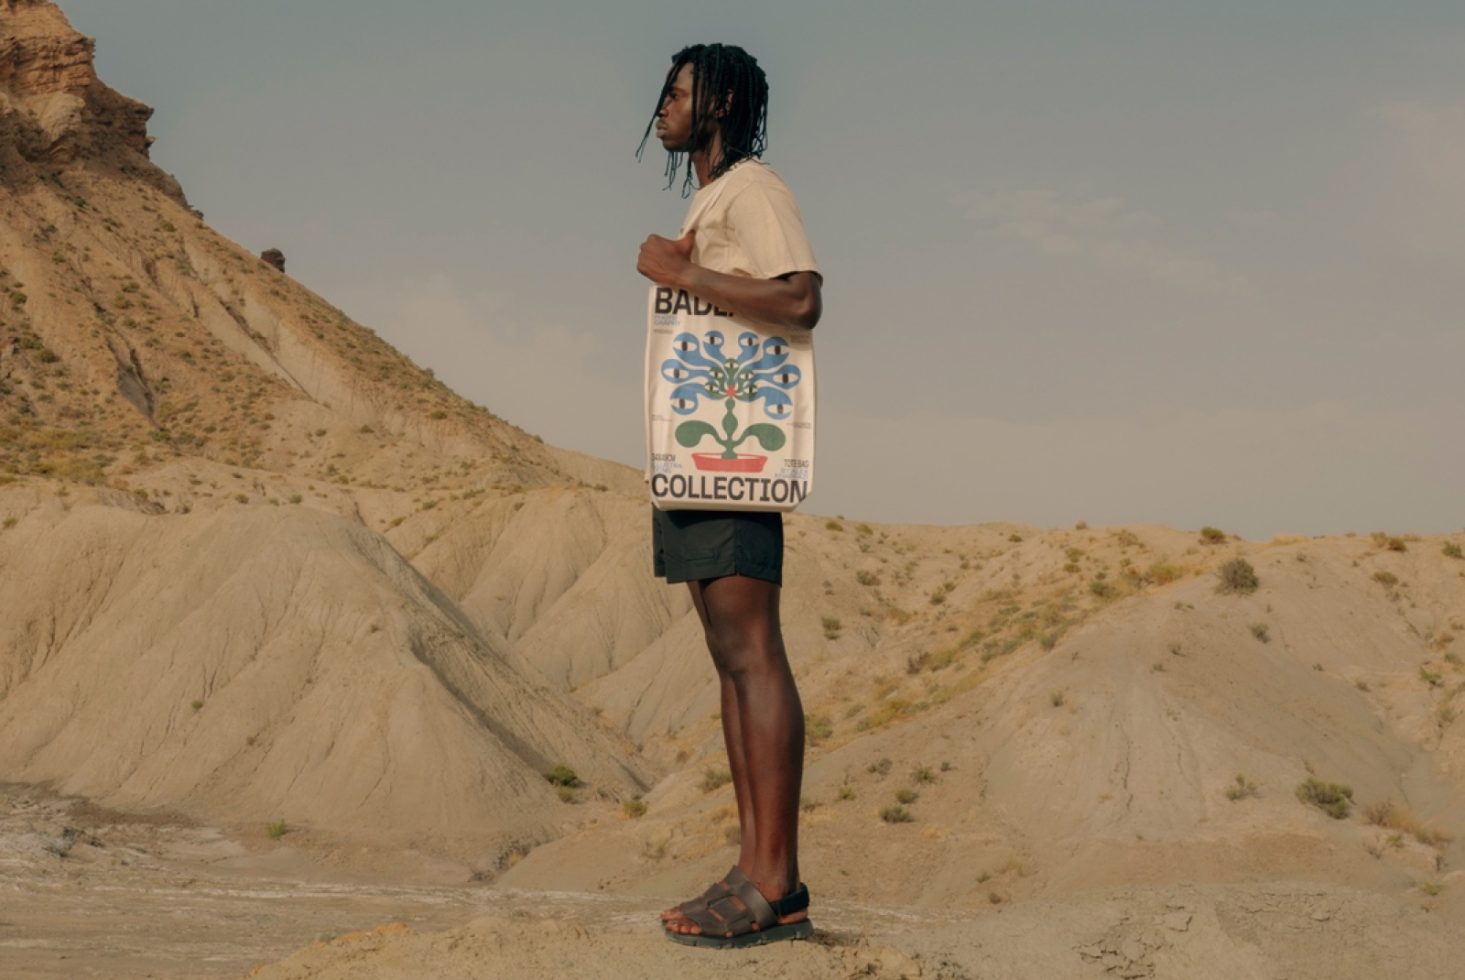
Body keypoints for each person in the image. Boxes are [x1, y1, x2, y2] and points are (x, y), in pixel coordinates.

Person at [635, 43, 823, 949]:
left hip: (739, 457)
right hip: (701, 454)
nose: (661, 106)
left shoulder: (754, 187)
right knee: (727, 656)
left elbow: (798, 300)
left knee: (753, 652)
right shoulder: (711, 196)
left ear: (716, 101)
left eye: (675, 92)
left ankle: (777, 883)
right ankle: (753, 870)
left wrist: (683, 275)